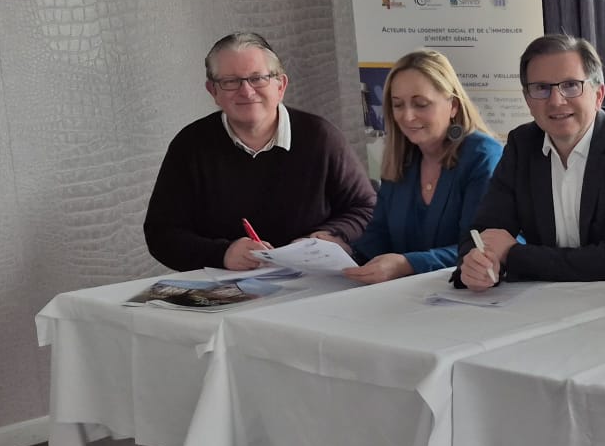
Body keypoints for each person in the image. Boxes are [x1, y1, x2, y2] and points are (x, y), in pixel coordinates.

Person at [144, 32, 374, 272]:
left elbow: (367, 209)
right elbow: (161, 233)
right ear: (213, 91)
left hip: (314, 278)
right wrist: (221, 254)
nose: (246, 91)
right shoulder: (190, 145)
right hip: (227, 285)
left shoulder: (320, 137)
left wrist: (326, 237)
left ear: (280, 85)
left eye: (258, 78)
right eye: (230, 81)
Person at [457, 34, 605, 288]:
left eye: (570, 85)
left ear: (598, 94)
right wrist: (477, 264)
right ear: (528, 100)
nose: (556, 101)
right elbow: (483, 233)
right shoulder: (522, 145)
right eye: (541, 88)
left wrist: (513, 255)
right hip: (549, 299)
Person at [342, 50, 500, 283]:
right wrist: (340, 250)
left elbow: (481, 249)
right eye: (398, 105)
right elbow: (378, 236)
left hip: (470, 294)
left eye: (421, 104)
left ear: (453, 106)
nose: (407, 116)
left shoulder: (482, 156)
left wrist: (407, 264)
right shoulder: (401, 157)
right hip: (406, 295)